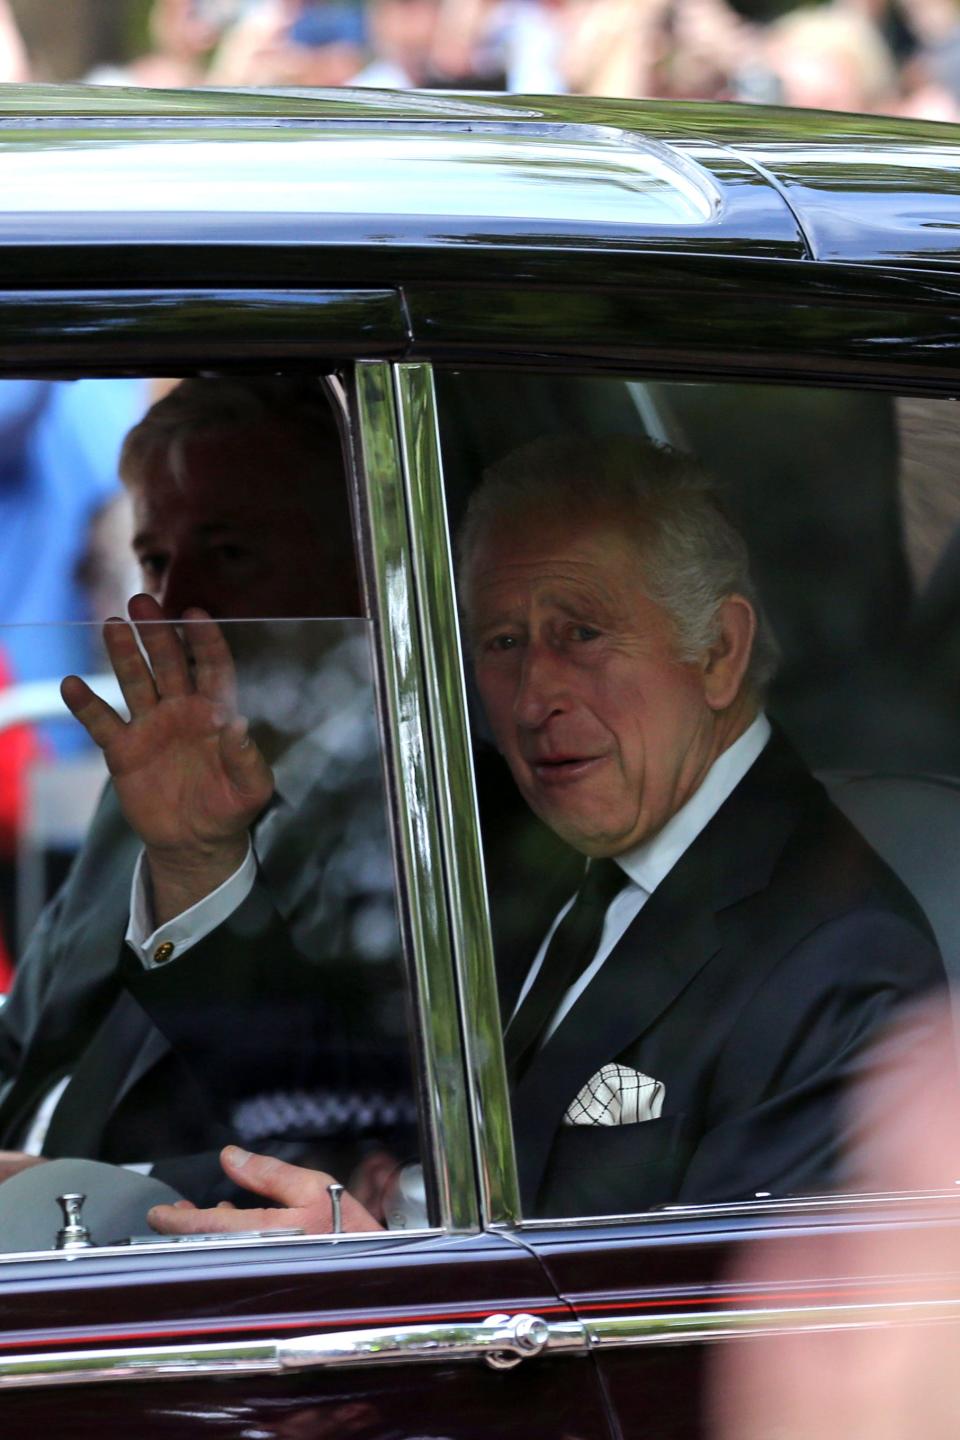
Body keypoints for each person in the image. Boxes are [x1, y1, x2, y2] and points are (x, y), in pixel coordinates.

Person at [149, 433, 949, 1237]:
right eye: (503, 643)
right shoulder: (528, 852)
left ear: (718, 650)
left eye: (581, 634)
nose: (533, 699)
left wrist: (378, 1266)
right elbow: (337, 1100)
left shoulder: (841, 962)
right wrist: (196, 857)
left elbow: (744, 1340)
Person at [0, 376, 413, 1209]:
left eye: (229, 552)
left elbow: (361, 1166)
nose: (172, 601)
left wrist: (61, 1193)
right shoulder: (149, 778)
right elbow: (25, 1044)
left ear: (352, 567)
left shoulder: (406, 807)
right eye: (154, 559)